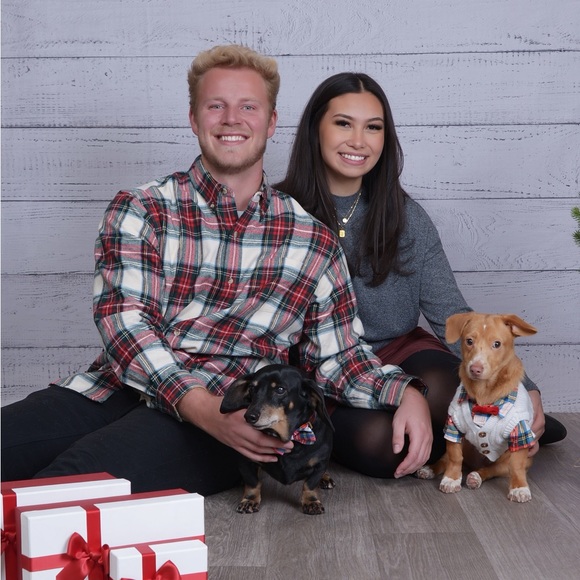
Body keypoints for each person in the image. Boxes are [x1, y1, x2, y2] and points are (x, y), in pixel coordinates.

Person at [1, 46, 433, 495]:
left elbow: (337, 358)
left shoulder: (313, 242)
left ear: (271, 122)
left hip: (226, 419)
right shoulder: (142, 209)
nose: (231, 119)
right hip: (118, 387)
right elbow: (126, 325)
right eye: (216, 106)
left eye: (248, 107)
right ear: (194, 118)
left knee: (60, 487)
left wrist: (406, 392)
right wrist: (197, 404)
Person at [275, 72, 566, 477]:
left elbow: (453, 313)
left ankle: (497, 426)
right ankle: (475, 437)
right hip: (325, 368)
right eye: (343, 123)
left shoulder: (406, 216)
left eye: (373, 127)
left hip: (400, 350)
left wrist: (524, 388)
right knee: (383, 445)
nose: (358, 141)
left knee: (442, 386)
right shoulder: (277, 213)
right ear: (315, 130)